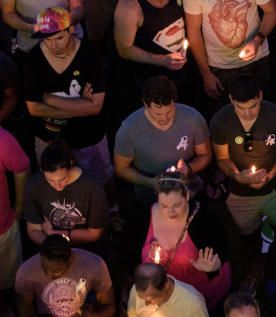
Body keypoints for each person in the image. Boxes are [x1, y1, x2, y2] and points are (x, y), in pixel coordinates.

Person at [208, 74, 276, 277]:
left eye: (253, 106)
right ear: (231, 100)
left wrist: (272, 174)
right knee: (247, 236)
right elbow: (222, 158)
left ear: (261, 97)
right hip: (240, 194)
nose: (247, 113)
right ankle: (254, 269)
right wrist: (237, 176)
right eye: (241, 108)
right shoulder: (221, 121)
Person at [23, 9, 109, 183]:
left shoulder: (90, 55)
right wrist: (81, 106)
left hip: (88, 136)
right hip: (48, 136)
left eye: (59, 38)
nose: (53, 45)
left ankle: (112, 209)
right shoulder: (33, 60)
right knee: (54, 183)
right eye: (47, 39)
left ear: (70, 30)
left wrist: (48, 99)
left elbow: (95, 107)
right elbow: (33, 109)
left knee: (100, 179)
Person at [113, 77, 211, 216]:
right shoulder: (129, 128)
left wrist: (189, 169)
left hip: (190, 193)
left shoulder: (192, 118)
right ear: (145, 104)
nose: (164, 118)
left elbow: (205, 155)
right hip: (150, 199)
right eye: (158, 113)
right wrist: (151, 183)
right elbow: (121, 168)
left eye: (169, 112)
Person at [139, 171, 232, 309]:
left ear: (187, 196)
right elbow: (128, 252)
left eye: (177, 205)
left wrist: (213, 266)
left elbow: (222, 248)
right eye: (164, 206)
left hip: (199, 289)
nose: (170, 212)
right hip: (162, 289)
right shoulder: (143, 216)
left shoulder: (204, 217)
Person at [22, 140, 107, 256]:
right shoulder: (34, 185)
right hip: (50, 251)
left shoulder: (92, 186)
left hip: (85, 250)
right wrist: (52, 247)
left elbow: (94, 234)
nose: (57, 186)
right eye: (50, 180)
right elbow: (33, 229)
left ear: (71, 165)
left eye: (62, 179)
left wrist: (56, 234)